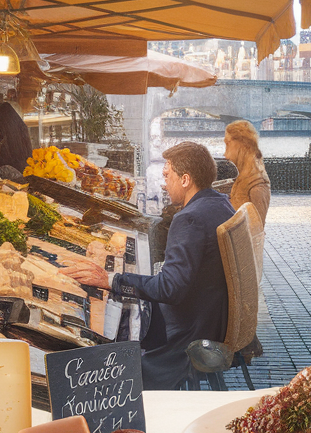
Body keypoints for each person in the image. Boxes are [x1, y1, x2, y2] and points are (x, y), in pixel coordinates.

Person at [112, 142, 234, 390]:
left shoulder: (189, 218)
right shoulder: (221, 204)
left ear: (186, 179)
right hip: (212, 317)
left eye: (167, 176)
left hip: (188, 333)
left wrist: (114, 281)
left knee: (116, 364)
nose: (164, 184)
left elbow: (170, 289)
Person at [224, 120, 271, 222]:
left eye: (228, 144)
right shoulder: (243, 177)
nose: (225, 154)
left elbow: (257, 230)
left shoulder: (257, 184)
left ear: (241, 145)